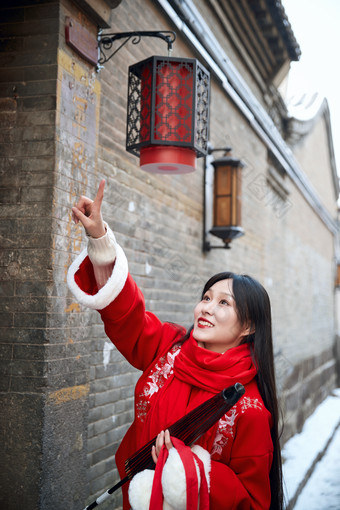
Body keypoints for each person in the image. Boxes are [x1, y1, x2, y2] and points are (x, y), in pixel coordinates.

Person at [67, 180, 283, 510]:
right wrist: (100, 239)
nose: (206, 308)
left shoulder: (249, 410)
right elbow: (129, 318)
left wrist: (190, 470)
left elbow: (253, 501)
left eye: (224, 303)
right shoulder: (171, 347)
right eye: (206, 297)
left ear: (249, 326)